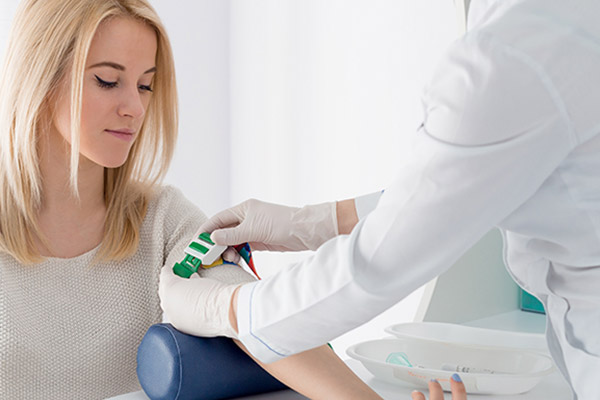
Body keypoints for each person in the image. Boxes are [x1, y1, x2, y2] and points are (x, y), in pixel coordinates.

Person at [158, 0, 600, 399]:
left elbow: (384, 259)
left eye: (147, 85)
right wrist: (321, 222)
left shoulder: (512, 56)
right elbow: (461, 189)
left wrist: (227, 310)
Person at [0, 0, 386, 398]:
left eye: (145, 85)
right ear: (40, 76)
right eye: (108, 81)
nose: (135, 108)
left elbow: (257, 321)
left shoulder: (162, 219)